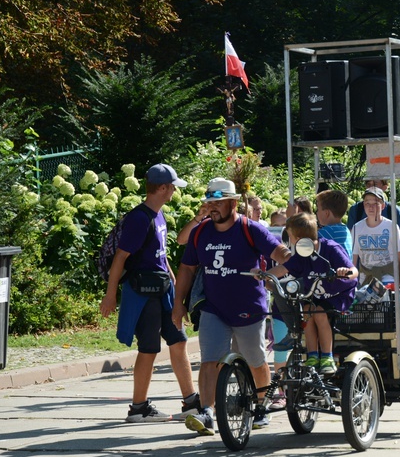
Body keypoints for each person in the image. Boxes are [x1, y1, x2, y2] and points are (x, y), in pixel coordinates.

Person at [172, 177, 291, 435]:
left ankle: (261, 405)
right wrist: (178, 304)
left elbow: (278, 251)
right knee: (209, 361)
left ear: (233, 203)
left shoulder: (250, 229)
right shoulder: (201, 232)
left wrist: (291, 259)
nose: (212, 208)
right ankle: (206, 413)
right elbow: (187, 268)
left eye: (218, 203)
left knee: (255, 362)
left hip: (249, 308)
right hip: (214, 308)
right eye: (209, 203)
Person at [99, 163, 199, 423]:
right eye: (173, 187)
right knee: (149, 349)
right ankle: (139, 408)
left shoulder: (159, 215)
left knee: (179, 341)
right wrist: (110, 296)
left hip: (163, 290)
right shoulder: (139, 218)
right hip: (143, 294)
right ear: (163, 188)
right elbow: (121, 258)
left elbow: (162, 257)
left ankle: (191, 402)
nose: (175, 191)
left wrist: (177, 292)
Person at [263, 212, 358, 374]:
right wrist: (264, 275)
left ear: (300, 239)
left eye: (291, 237)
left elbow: (354, 271)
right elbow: (283, 268)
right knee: (306, 312)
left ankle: (327, 356)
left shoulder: (330, 248)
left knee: (319, 313)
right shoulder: (301, 254)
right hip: (316, 295)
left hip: (338, 294)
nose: (290, 241)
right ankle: (313, 355)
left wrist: (345, 271)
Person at [351, 186, 400, 288]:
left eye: (375, 203)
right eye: (367, 203)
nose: (371, 207)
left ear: (383, 206)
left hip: (388, 279)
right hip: (366, 281)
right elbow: (353, 260)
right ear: (364, 205)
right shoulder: (357, 228)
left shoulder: (391, 226)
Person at [316, 189, 353, 258]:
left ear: (326, 213)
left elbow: (305, 246)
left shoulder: (325, 232)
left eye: (318, 209)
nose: (317, 212)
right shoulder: (345, 229)